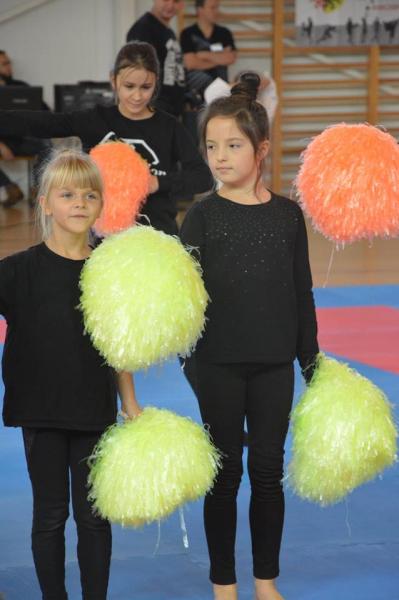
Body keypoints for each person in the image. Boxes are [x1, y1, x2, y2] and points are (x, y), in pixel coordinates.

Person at [179, 73, 319, 600]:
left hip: (273, 367)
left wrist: (313, 367)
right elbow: (182, 302)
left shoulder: (287, 216)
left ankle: (265, 580)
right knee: (225, 475)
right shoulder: (202, 216)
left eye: (232, 146)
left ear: (260, 149)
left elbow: (301, 294)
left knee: (266, 472)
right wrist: (191, 366)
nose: (220, 157)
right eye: (211, 147)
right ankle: (223, 582)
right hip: (217, 366)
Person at [0, 149, 142, 600]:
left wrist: (130, 400)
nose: (79, 203)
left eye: (89, 195)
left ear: (100, 204)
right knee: (50, 515)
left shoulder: (110, 269)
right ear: (45, 203)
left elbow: (119, 341)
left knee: (94, 517)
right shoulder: (17, 272)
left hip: (92, 407)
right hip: (38, 409)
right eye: (67, 194)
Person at [0, 42, 212, 235]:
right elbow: (42, 123)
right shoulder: (96, 120)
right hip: (103, 239)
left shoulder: (170, 126)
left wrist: (157, 182)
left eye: (145, 87)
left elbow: (202, 177)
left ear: (156, 82)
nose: (137, 96)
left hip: (157, 237)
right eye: (129, 86)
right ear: (114, 80)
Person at [0, 49, 51, 207]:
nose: (9, 67)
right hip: (3, 142)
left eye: (9, 63)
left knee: (47, 146)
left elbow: (46, 112)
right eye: (4, 64)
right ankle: (9, 187)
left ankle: (38, 190)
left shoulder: (21, 87)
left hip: (23, 139)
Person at [126, 0, 185, 117]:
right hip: (155, 108)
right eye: (165, 0)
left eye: (176, 1)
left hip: (171, 109)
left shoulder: (168, 31)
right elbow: (140, 73)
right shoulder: (143, 29)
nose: (170, 5)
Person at [180, 0, 237, 108]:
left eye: (217, 7)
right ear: (200, 9)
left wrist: (203, 55)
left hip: (221, 92)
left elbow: (230, 58)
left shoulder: (224, 33)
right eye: (212, 8)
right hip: (195, 95)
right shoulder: (187, 34)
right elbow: (190, 63)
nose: (216, 11)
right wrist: (219, 59)